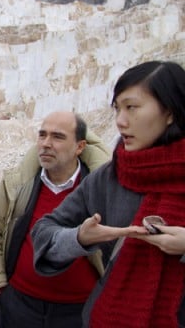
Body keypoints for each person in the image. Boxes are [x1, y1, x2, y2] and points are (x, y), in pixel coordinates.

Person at [32, 61, 185, 327]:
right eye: (117, 109)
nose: (120, 121)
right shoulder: (109, 177)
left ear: (170, 111)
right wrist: (79, 237)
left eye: (132, 108)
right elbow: (44, 231)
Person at [0, 111, 111, 328]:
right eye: (42, 135)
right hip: (18, 307)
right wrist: (0, 288)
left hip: (81, 312)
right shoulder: (17, 185)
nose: (46, 144)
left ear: (80, 147)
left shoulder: (102, 190)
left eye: (57, 137)